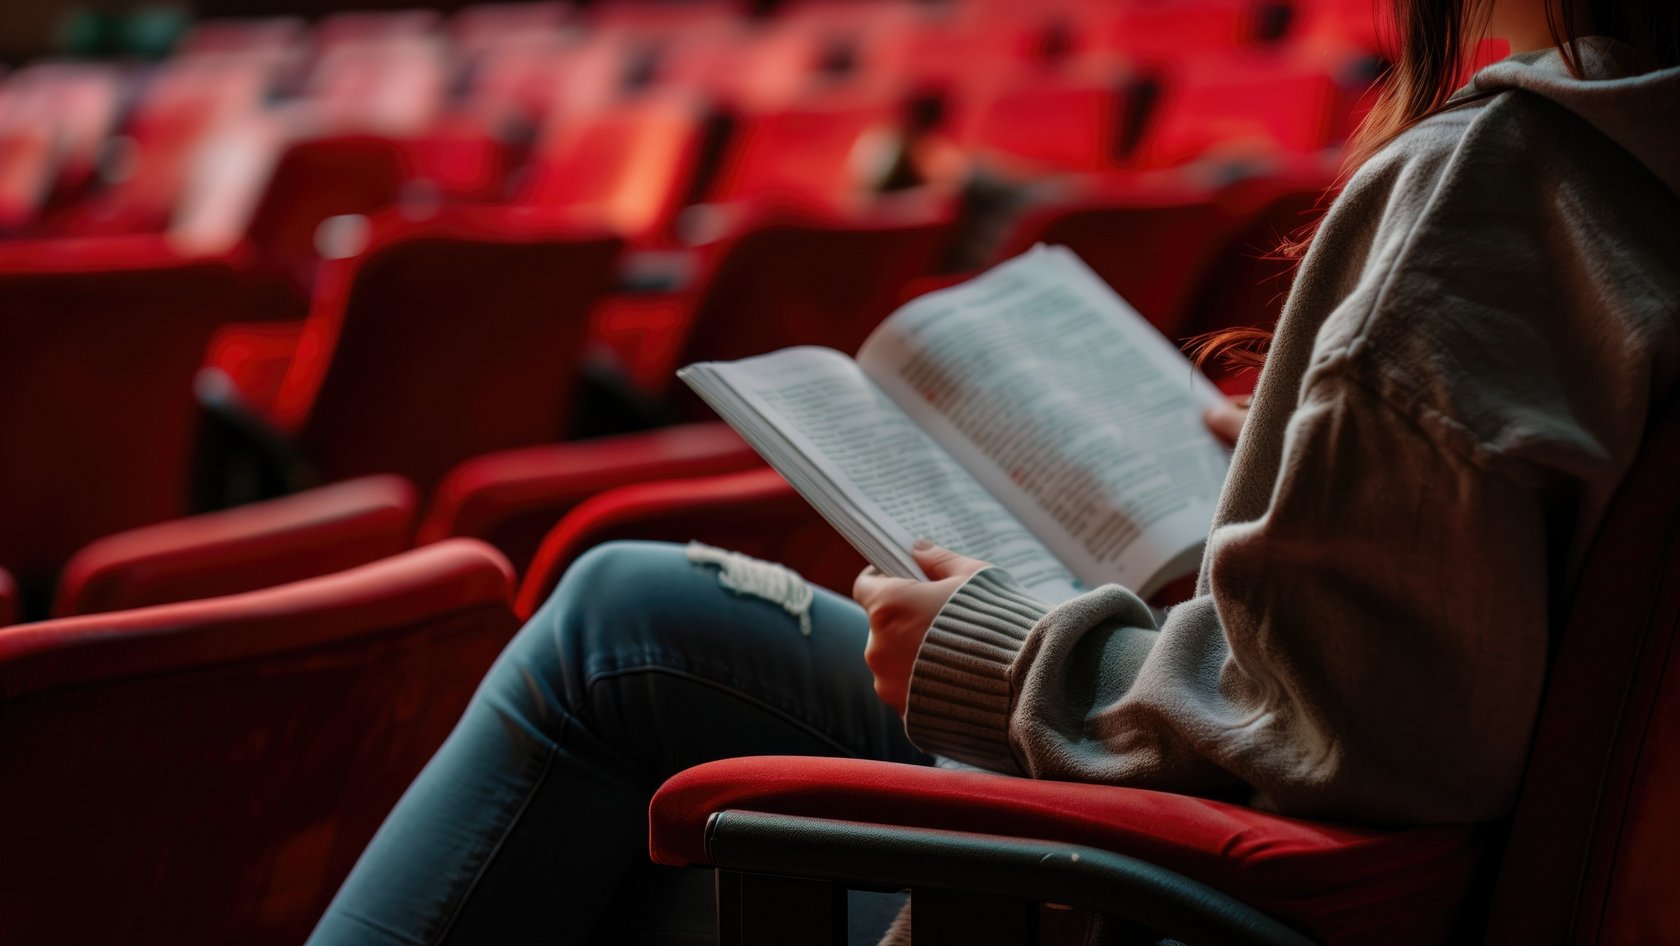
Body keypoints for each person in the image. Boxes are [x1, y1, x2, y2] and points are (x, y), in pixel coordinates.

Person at [308, 0, 1680, 942]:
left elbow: (1341, 743)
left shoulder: (1509, 177)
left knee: (619, 629)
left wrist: (1002, 653)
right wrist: (1310, 471)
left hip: (1194, 903)